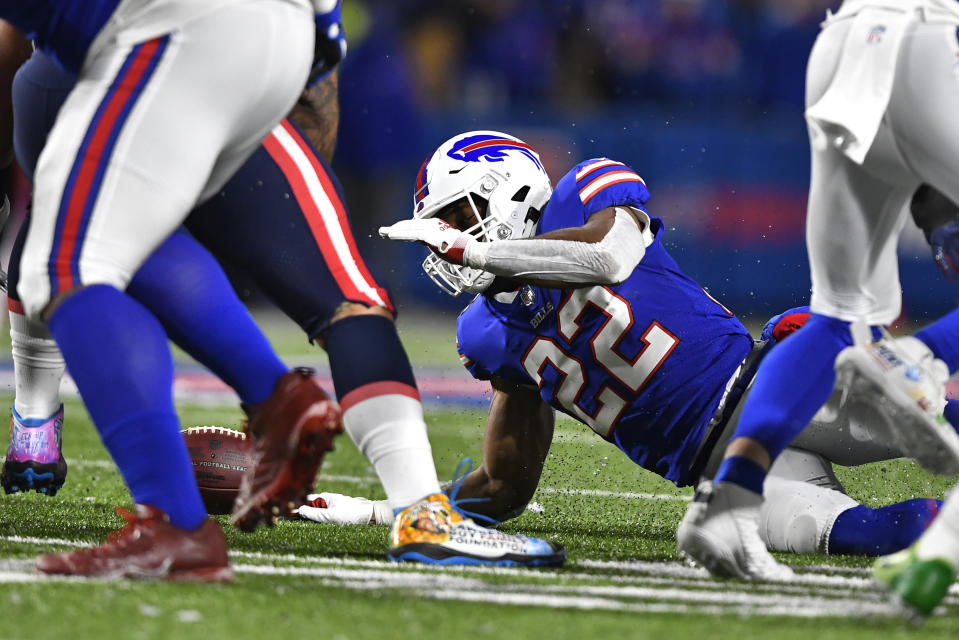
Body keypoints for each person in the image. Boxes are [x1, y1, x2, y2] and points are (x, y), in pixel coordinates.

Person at [1, 17, 565, 567]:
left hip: (150, 53)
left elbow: (13, 47)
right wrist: (268, 215)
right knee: (348, 298)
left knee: (60, 264)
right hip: (268, 63)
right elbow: (319, 86)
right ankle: (422, 511)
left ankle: (185, 495)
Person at [372, 129, 952, 560]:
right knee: (871, 536)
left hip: (766, 388)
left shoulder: (582, 193)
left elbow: (607, 256)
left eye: (456, 217)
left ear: (509, 193)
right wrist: (401, 506)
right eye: (438, 227)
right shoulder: (485, 331)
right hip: (718, 473)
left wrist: (479, 253)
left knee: (938, 427)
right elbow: (505, 484)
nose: (444, 238)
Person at [0, 0, 338, 581]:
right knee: (127, 240)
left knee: (59, 267)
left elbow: (9, 45)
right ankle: (279, 400)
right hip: (276, 45)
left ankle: (179, 519)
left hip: (176, 33)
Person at [670, 0, 959, 584]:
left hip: (845, 43)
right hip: (931, 42)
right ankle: (917, 360)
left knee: (838, 314)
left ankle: (729, 501)